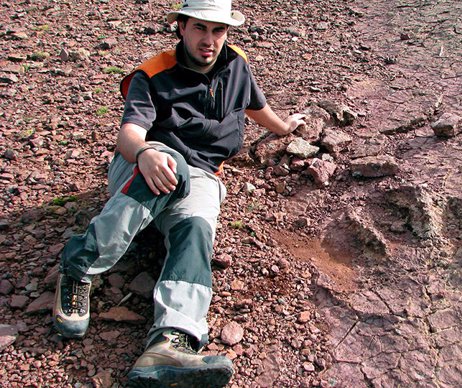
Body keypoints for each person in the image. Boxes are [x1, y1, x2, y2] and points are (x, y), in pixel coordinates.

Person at [51, 0, 305, 386]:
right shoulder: (153, 75)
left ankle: (170, 342)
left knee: (197, 229)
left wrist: (284, 127)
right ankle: (78, 266)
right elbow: (129, 134)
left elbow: (257, 107)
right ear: (181, 28)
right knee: (173, 165)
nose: (209, 40)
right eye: (200, 28)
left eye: (218, 30)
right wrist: (146, 152)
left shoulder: (236, 63)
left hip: (202, 174)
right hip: (144, 166)